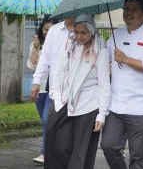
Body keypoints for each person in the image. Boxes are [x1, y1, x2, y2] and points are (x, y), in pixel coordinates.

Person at [101, 0, 143, 169]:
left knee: (137, 155)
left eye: (134, 10)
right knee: (108, 145)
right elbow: (104, 60)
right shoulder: (116, 34)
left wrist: (127, 59)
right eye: (126, 9)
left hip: (140, 106)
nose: (129, 13)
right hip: (116, 105)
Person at [43, 14, 110, 169]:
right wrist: (54, 96)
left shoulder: (101, 51)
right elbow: (58, 73)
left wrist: (102, 114)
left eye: (84, 33)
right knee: (58, 145)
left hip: (88, 105)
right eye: (76, 32)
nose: (79, 36)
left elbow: (104, 85)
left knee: (81, 152)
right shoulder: (68, 47)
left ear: (92, 31)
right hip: (63, 101)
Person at [30, 16, 76, 164]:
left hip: (77, 91)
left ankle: (69, 156)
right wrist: (36, 81)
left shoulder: (84, 29)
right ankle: (48, 156)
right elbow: (44, 59)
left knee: (71, 128)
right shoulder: (55, 31)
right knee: (48, 122)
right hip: (55, 89)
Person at [27, 15, 58, 163]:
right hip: (40, 87)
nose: (48, 32)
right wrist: (35, 47)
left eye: (51, 29)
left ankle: (45, 153)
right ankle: (54, 148)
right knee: (46, 121)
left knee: (47, 120)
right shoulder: (38, 44)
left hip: (52, 87)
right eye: (46, 29)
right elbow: (31, 65)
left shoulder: (59, 43)